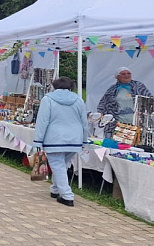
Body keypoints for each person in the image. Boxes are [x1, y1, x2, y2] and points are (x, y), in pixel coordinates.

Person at [33, 77, 89, 207]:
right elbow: (84, 122)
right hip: (75, 137)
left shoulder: (48, 99)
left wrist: (38, 140)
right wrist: (84, 140)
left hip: (55, 137)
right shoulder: (78, 99)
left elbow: (43, 121)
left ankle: (67, 195)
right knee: (62, 164)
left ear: (54, 86)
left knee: (58, 166)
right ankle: (55, 189)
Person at [98, 66, 152, 137]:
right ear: (117, 77)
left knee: (137, 144)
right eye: (123, 74)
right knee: (121, 143)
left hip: (137, 123)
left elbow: (150, 100)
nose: (127, 75)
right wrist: (101, 115)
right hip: (119, 123)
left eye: (128, 73)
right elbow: (103, 103)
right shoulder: (112, 90)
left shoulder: (138, 86)